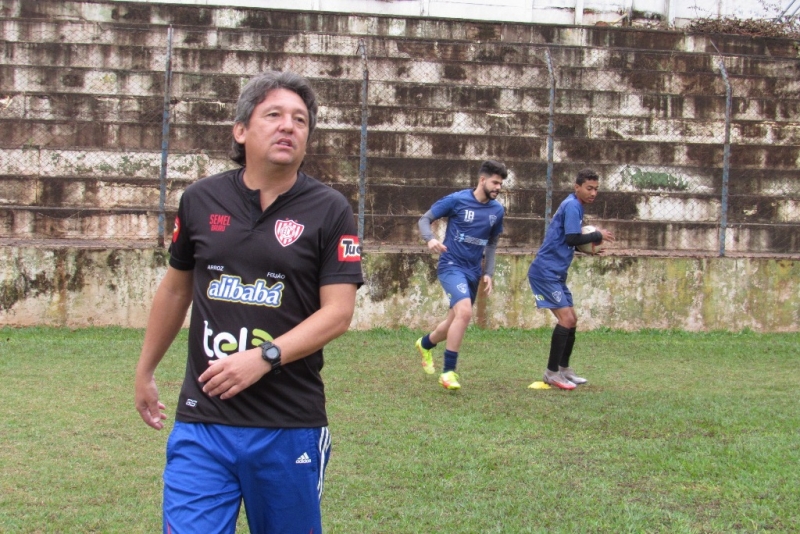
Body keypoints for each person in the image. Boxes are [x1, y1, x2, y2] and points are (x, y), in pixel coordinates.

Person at [134, 71, 363, 534]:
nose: (289, 127)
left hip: (288, 422)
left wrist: (264, 357)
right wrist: (145, 371)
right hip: (203, 420)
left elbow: (338, 311)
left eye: (300, 120)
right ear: (241, 130)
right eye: (274, 114)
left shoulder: (331, 208)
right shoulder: (200, 199)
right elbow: (176, 288)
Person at [414, 160, 508, 390]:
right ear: (482, 180)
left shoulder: (497, 211)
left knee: (452, 321)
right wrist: (431, 239)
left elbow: (492, 244)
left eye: (501, 184)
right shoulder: (457, 200)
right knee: (464, 313)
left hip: (473, 271)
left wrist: (488, 272)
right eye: (495, 182)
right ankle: (448, 372)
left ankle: (425, 343)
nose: (498, 187)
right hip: (451, 265)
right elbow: (424, 219)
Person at [527, 168, 614, 390]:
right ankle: (551, 373)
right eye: (589, 188)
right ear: (577, 187)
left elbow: (567, 240)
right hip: (545, 272)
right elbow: (571, 237)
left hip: (555, 273)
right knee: (566, 319)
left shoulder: (574, 206)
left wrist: (588, 249)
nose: (593, 193)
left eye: (596, 189)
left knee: (572, 319)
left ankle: (564, 369)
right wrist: (598, 236)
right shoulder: (573, 205)